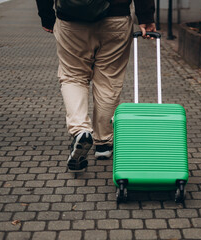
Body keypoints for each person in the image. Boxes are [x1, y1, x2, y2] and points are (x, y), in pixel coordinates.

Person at [35, 0, 156, 170]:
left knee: (73, 76)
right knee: (108, 81)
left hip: (71, 18)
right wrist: (146, 16)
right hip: (116, 18)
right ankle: (103, 144)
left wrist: (46, 16)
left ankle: (80, 130)